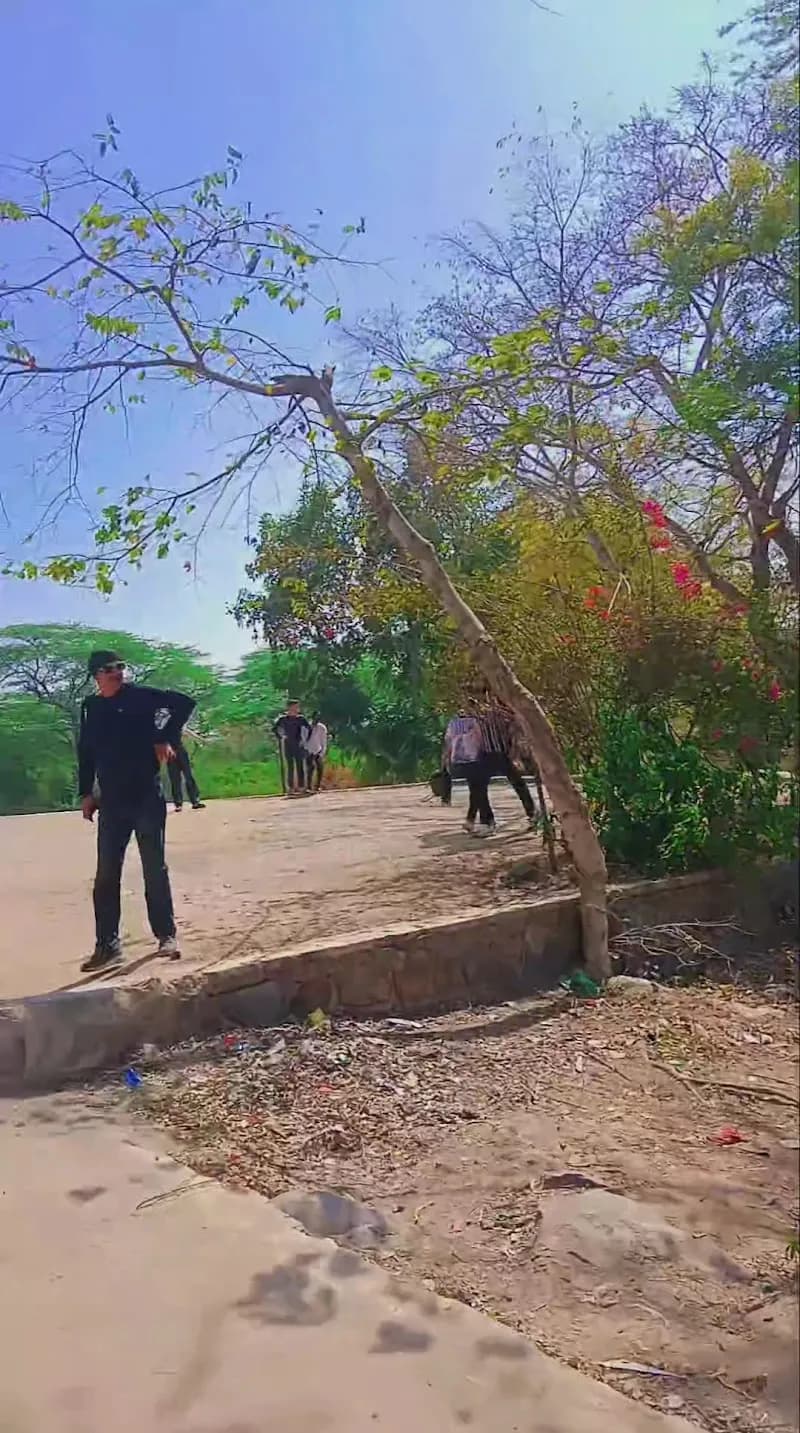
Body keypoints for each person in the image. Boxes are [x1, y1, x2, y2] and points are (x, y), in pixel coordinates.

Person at [77, 649, 196, 973]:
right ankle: (107, 945)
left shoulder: (141, 697)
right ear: (96, 675)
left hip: (145, 795)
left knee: (154, 868)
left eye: (120, 666)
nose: (116, 672)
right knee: (106, 874)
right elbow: (85, 751)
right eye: (108, 669)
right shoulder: (91, 708)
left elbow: (184, 703)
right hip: (112, 801)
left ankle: (166, 936)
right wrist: (86, 792)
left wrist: (163, 736)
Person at [479, 700, 540, 831]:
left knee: (518, 784)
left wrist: (515, 752)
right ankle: (487, 821)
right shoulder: (477, 716)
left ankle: (532, 813)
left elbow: (514, 732)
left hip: (503, 753)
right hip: (488, 754)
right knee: (480, 789)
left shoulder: (500, 714)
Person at [442, 710, 495, 837]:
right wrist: (446, 759)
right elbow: (449, 742)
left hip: (473, 758)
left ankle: (481, 821)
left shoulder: (463, 722)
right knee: (477, 790)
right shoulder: (459, 722)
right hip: (470, 758)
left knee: (478, 791)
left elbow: (449, 742)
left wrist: (447, 758)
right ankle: (482, 821)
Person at [272, 699, 311, 795]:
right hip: (288, 743)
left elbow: (309, 729)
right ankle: (291, 788)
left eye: (297, 707)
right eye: (295, 707)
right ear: (290, 707)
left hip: (298, 743)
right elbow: (275, 729)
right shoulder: (283, 719)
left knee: (300, 765)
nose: (297, 709)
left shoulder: (300, 719)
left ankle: (302, 787)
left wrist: (305, 740)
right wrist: (281, 736)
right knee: (290, 766)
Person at [167, 735, 205, 811]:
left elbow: (187, 732)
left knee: (189, 776)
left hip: (181, 750)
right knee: (175, 779)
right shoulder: (162, 726)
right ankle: (178, 804)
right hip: (170, 752)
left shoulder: (176, 725)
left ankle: (195, 801)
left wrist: (200, 739)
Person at [304, 711, 329, 792]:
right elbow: (303, 738)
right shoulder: (307, 726)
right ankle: (308, 786)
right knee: (310, 769)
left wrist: (322, 753)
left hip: (318, 750)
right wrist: (306, 750)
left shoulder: (322, 728)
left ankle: (317, 786)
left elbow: (323, 741)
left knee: (320, 769)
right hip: (309, 750)